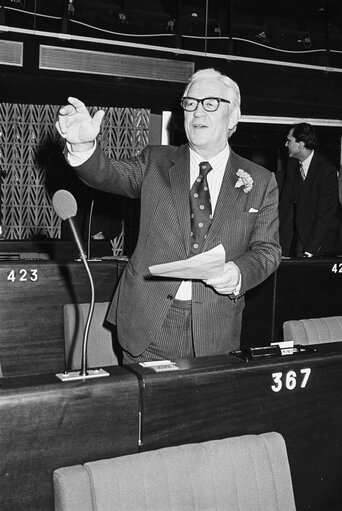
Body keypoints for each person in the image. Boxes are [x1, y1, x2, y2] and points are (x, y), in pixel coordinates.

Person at [56, 67, 281, 363]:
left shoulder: (260, 180)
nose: (197, 112)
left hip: (216, 327)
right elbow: (107, 174)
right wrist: (83, 147)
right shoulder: (155, 162)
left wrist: (238, 272)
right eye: (190, 103)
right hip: (149, 323)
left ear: (234, 116)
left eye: (210, 103)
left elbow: (268, 250)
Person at [279, 122, 340, 257]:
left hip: (323, 241)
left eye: (289, 141)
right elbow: (285, 205)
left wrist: (309, 250)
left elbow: (325, 215)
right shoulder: (292, 164)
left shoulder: (326, 171)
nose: (285, 144)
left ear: (301, 144)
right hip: (302, 234)